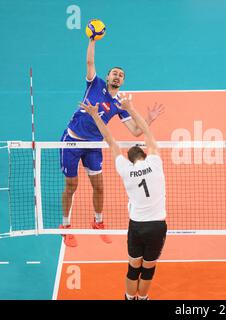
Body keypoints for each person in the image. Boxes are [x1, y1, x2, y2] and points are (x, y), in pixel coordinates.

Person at [59, 38, 159, 247]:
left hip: (93, 145)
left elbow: (135, 131)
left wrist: (148, 119)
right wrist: (92, 40)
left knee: (99, 187)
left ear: (122, 82)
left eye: (121, 75)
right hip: (72, 141)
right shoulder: (94, 84)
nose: (118, 76)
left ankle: (98, 222)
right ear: (107, 76)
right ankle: (66, 226)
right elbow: (89, 63)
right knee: (71, 185)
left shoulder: (119, 103)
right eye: (114, 73)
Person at [81, 94, 167, 301]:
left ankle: (129, 298)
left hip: (136, 225)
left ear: (129, 160)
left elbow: (110, 140)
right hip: (156, 226)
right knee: (148, 269)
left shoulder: (125, 169)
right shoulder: (155, 163)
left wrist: (95, 115)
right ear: (145, 155)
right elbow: (147, 133)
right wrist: (131, 108)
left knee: (133, 267)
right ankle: (143, 299)